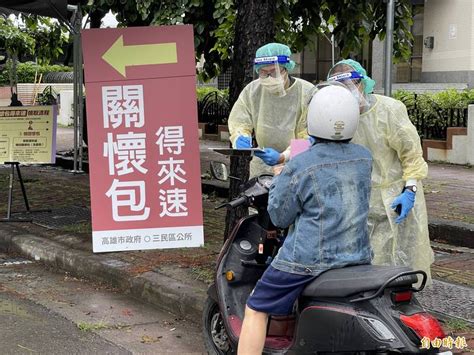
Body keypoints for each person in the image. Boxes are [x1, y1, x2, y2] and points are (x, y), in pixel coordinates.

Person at [238, 83, 373, 355]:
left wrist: (280, 179)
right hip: (357, 255)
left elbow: (279, 215)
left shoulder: (302, 164)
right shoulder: (364, 157)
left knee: (256, 307)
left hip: (307, 260)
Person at [326, 59, 434, 283]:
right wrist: (286, 157)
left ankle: (403, 309)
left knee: (400, 261)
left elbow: (411, 154)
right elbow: (311, 142)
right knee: (366, 265)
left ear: (361, 84)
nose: (345, 93)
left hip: (395, 198)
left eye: (349, 85)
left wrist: (410, 189)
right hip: (359, 201)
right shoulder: (338, 118)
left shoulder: (390, 110)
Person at [228, 42, 314, 177]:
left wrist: (283, 157)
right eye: (263, 73)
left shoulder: (307, 92)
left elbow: (310, 137)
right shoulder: (252, 90)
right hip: (262, 166)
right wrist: (240, 136)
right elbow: (239, 120)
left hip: (299, 165)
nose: (269, 78)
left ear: (286, 68)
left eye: (274, 72)